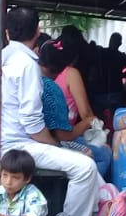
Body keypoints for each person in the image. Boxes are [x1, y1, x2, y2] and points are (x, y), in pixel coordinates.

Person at [0, 6, 101, 216]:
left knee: (80, 161)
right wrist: (55, 145)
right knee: (86, 167)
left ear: (6, 33)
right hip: (21, 146)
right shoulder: (27, 65)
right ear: (37, 31)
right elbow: (32, 123)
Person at [38, 39, 112, 181]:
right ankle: (89, 190)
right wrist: (88, 122)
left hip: (36, 141)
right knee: (103, 155)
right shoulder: (52, 89)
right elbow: (63, 136)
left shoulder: (29, 78)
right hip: (53, 143)